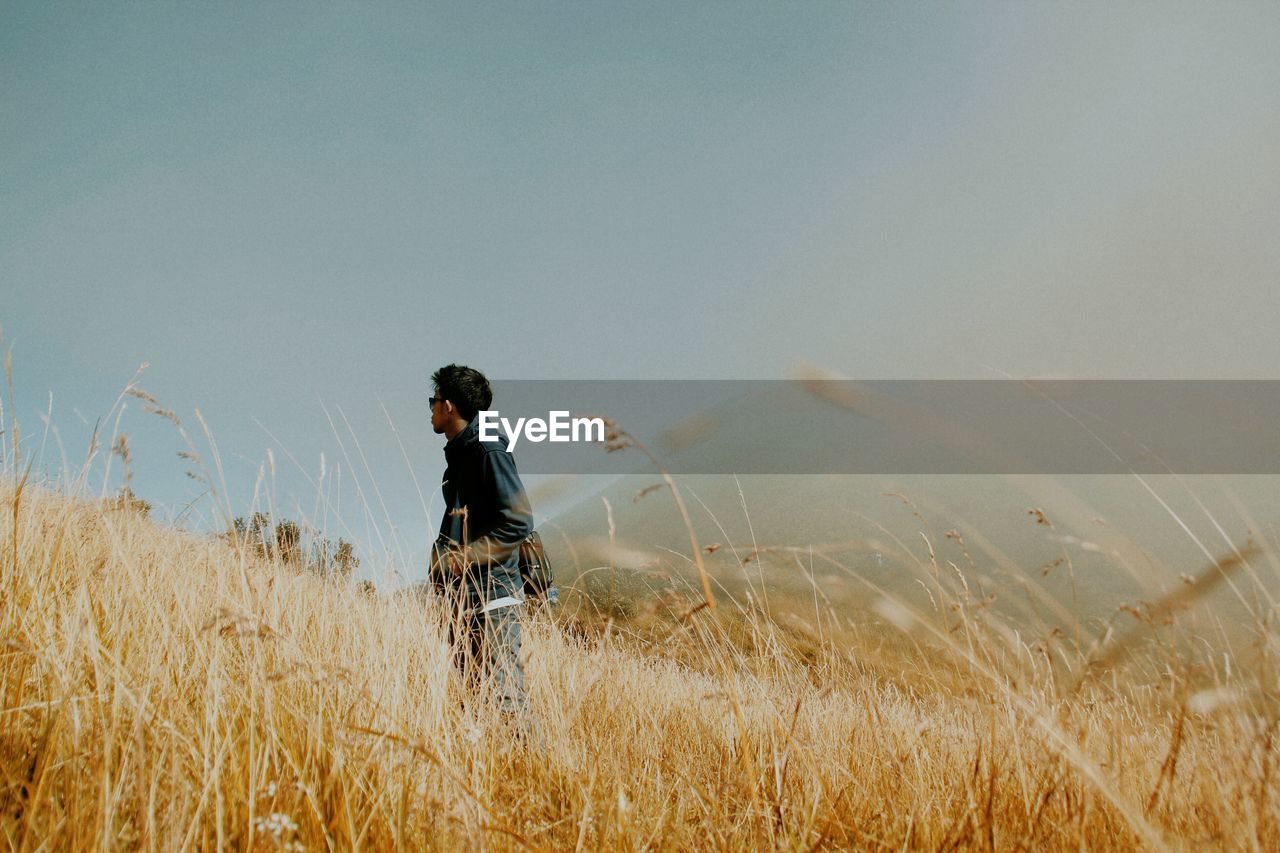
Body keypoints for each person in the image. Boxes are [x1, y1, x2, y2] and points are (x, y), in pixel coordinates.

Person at [428, 364, 534, 721]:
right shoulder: (459, 458)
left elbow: (518, 521)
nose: (431, 408)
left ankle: (538, 775)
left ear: (450, 407)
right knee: (477, 701)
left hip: (493, 596)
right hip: (465, 599)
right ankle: (497, 776)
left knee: (505, 703)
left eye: (434, 400)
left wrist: (462, 559)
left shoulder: (489, 449)